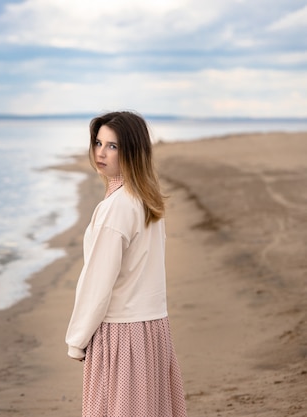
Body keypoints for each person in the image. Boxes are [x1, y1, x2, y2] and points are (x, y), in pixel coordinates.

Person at [65, 111, 187, 416]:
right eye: (98, 143)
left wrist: (77, 339)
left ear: (131, 151)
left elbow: (98, 282)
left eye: (112, 146)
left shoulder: (116, 208)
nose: (100, 153)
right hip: (153, 328)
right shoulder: (145, 200)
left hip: (122, 334)